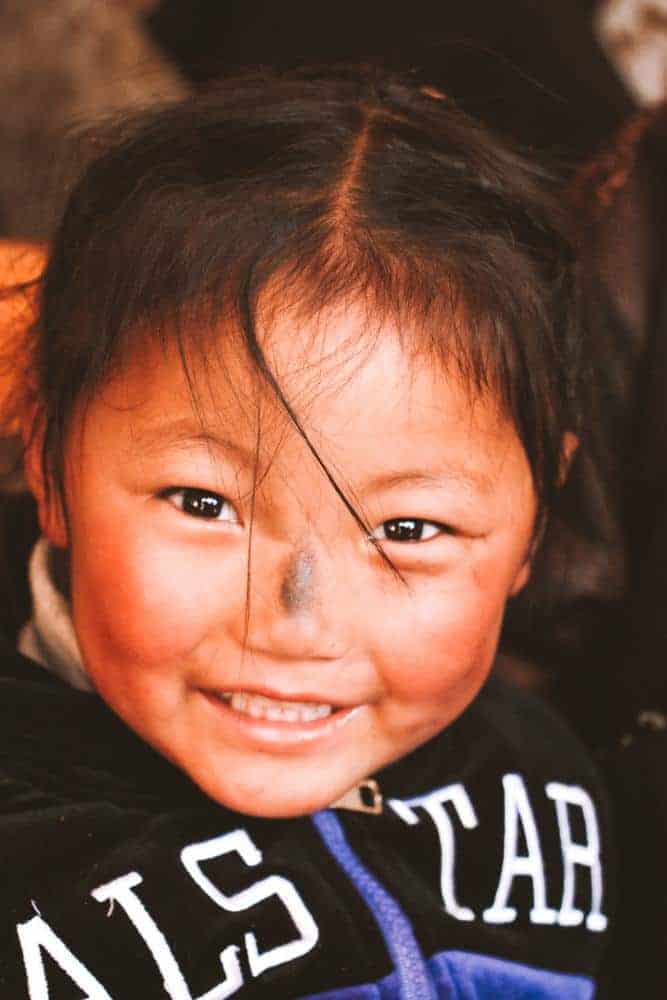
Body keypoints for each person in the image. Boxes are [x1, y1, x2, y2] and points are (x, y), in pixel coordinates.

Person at [0, 69, 612, 998]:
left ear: (533, 524)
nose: (297, 624)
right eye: (202, 504)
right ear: (48, 460)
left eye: (409, 528)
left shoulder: (546, 789)